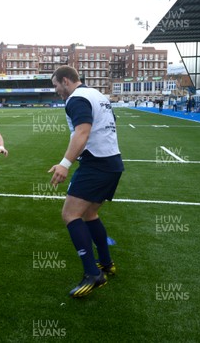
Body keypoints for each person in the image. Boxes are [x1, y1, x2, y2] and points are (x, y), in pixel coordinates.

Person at [48, 65, 124, 298]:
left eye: (56, 86)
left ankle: (93, 274)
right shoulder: (97, 95)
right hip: (112, 163)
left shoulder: (76, 98)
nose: (57, 91)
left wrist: (65, 163)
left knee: (70, 215)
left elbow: (83, 132)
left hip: (96, 165)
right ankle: (106, 262)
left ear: (66, 81)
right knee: (90, 214)